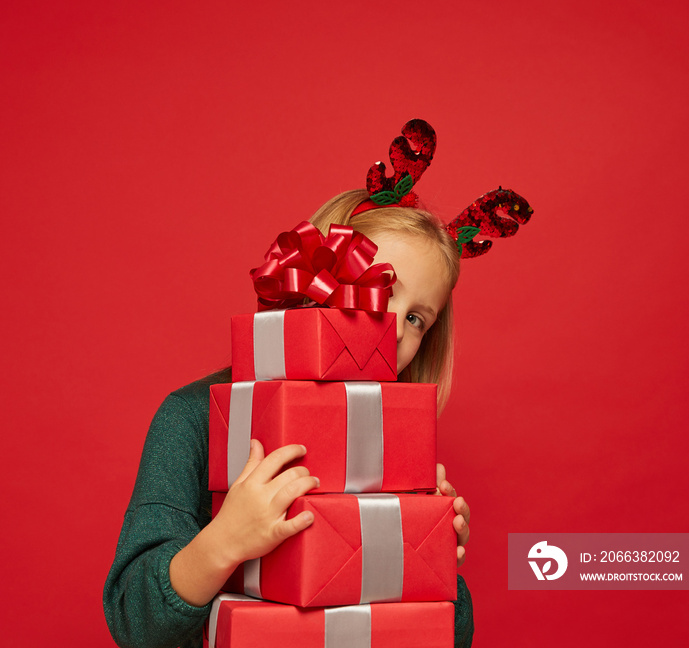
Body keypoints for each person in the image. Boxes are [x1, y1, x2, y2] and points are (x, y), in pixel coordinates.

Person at [104, 125, 477, 648]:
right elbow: (134, 621)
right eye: (379, 287)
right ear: (315, 275)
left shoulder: (395, 446)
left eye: (417, 318)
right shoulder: (192, 418)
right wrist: (223, 542)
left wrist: (425, 555)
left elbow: (450, 636)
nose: (391, 325)